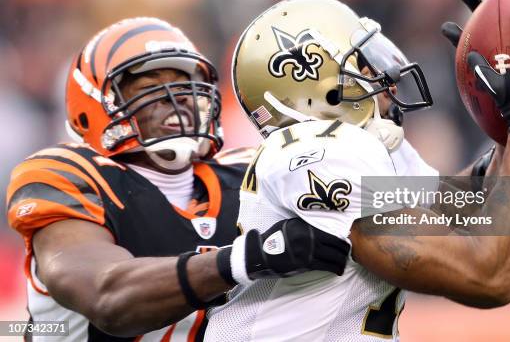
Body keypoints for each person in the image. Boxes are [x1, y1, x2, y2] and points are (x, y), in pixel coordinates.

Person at [204, 0, 510, 341]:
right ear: (316, 83)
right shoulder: (315, 154)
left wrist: (505, 119)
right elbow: (488, 278)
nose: (388, 77)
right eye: (364, 63)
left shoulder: (367, 148)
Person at [6, 17, 351, 340]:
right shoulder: (68, 173)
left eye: (186, 85)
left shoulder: (250, 171)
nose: (179, 97)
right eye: (150, 86)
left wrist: (390, 153)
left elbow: (385, 209)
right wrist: (248, 258)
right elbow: (107, 297)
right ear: (95, 102)